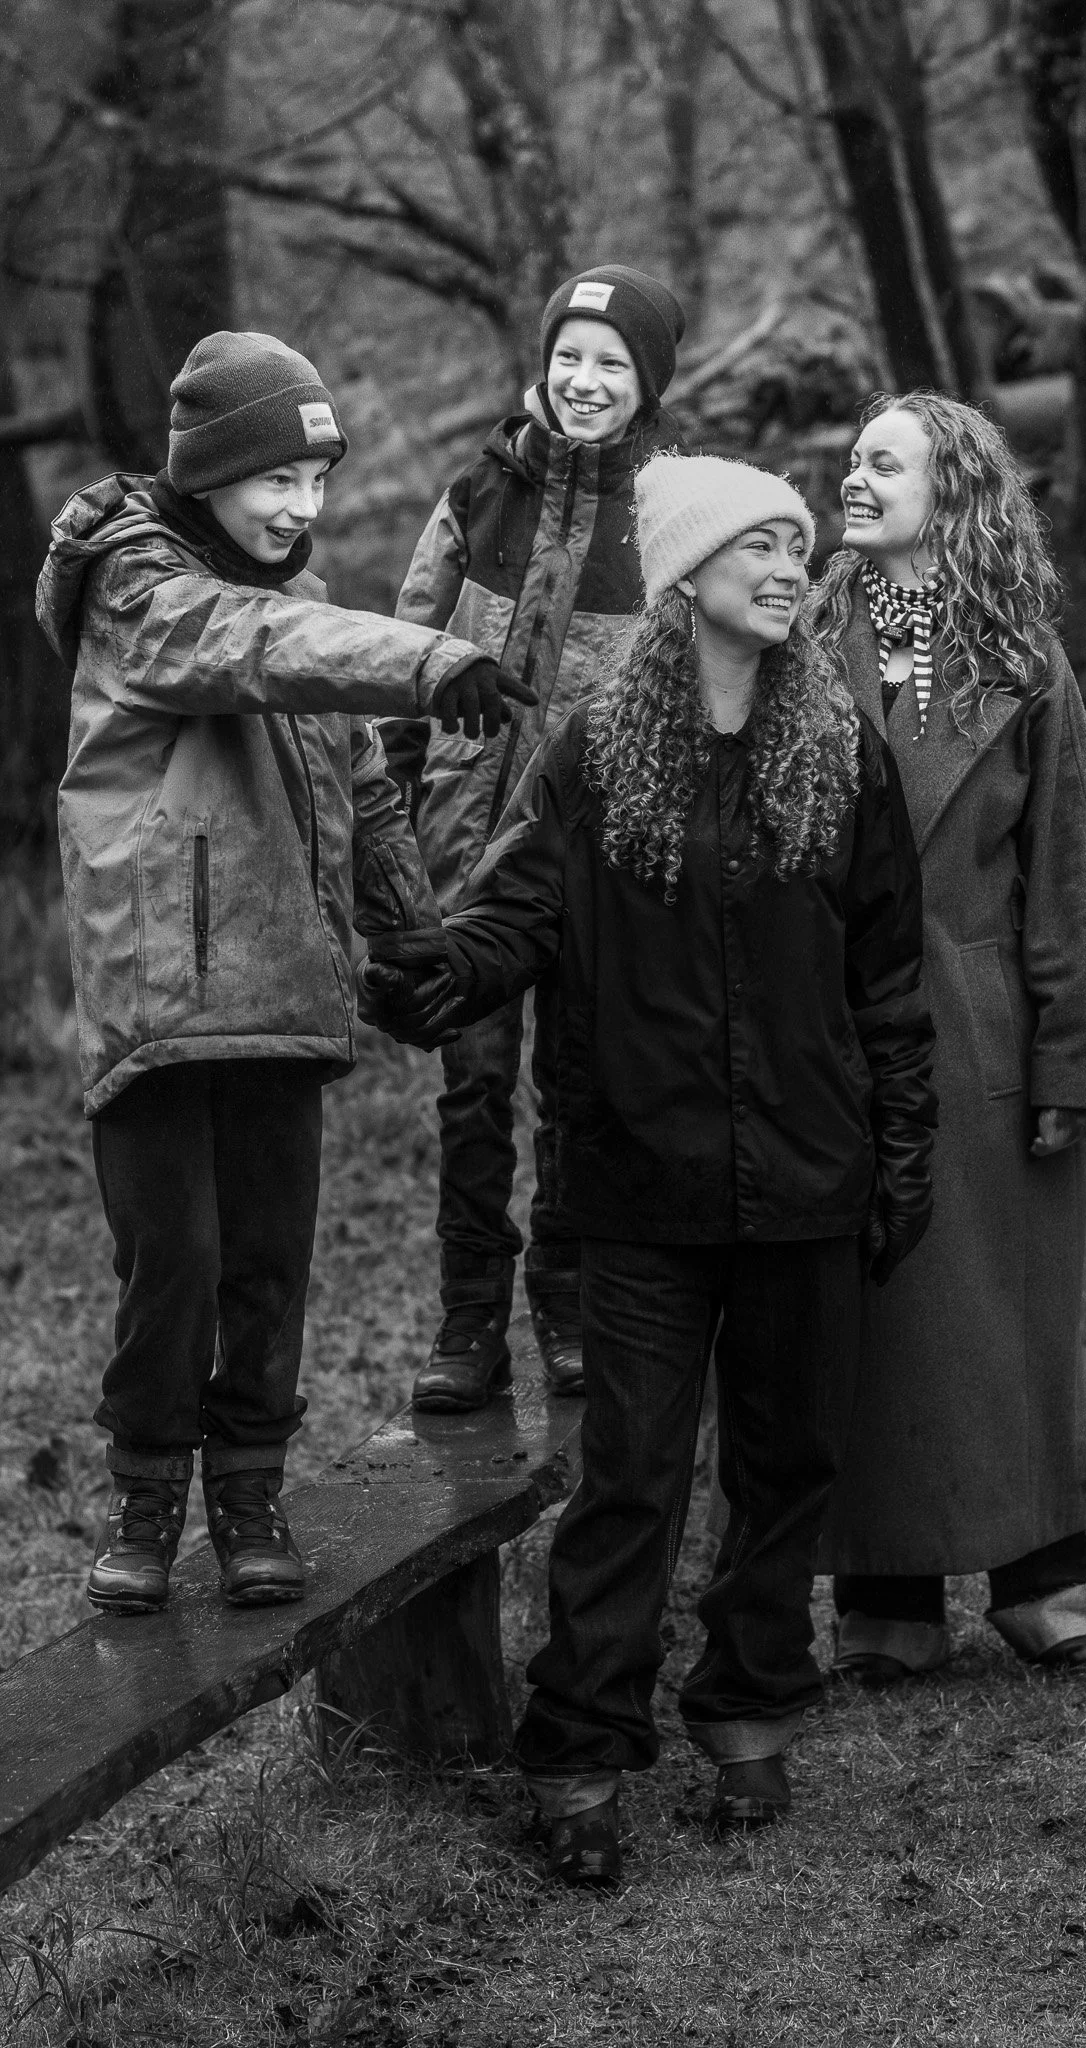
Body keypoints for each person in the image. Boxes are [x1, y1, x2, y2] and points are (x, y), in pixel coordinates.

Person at [368, 453, 937, 1886]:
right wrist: (434, 973)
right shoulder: (596, 753)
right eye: (758, 547)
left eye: (796, 547)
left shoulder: (841, 750)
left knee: (786, 1462)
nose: (789, 568)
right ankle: (579, 1748)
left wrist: (900, 1148)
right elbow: (515, 915)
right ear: (684, 579)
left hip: (806, 1172)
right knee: (629, 1475)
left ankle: (749, 1704)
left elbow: (886, 973)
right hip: (637, 1183)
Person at [36, 329, 531, 1617]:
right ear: (209, 471)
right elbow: (239, 643)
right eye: (278, 480)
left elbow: (362, 783)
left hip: (286, 990)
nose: (302, 507)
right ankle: (147, 1497)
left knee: (268, 1261)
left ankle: (250, 1493)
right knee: (176, 1264)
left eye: (318, 482)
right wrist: (425, 659)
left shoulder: (298, 617)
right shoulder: (136, 587)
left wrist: (410, 936)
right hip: (162, 998)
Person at [809, 390, 1086, 1679]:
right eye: (851, 460)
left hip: (981, 1031)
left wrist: (1075, 1060)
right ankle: (885, 1590)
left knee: (1008, 1312)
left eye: (883, 462)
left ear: (952, 491)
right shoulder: (799, 638)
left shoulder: (1021, 660)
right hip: (833, 1035)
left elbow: (1070, 873)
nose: (854, 477)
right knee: (871, 1314)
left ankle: (1043, 1573)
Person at [378, 265, 685, 1413]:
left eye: (611, 363)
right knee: (472, 1090)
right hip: (466, 854)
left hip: (601, 855)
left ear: (648, 381)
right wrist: (392, 826)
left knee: (580, 1087)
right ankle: (468, 1317)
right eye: (569, 356)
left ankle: (565, 1296)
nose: (585, 379)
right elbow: (405, 654)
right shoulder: (479, 490)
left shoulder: (671, 509)